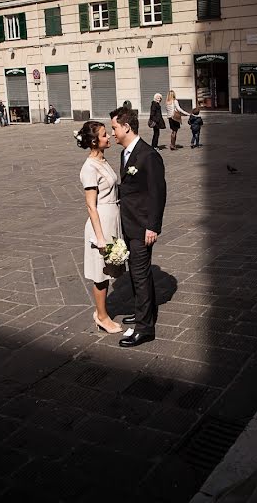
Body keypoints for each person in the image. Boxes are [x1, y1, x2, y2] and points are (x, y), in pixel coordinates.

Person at [109, 106, 166, 347]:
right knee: (137, 275)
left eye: (114, 128)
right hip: (130, 223)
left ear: (126, 127)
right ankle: (145, 312)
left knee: (140, 276)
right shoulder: (126, 153)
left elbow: (158, 193)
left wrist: (152, 226)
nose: (112, 133)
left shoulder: (148, 155)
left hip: (142, 226)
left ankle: (144, 328)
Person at [77, 121, 123, 335]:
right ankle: (102, 316)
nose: (109, 137)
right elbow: (90, 205)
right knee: (100, 274)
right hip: (101, 223)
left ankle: (102, 312)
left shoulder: (103, 160)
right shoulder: (89, 168)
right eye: (105, 135)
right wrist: (100, 237)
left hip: (112, 218)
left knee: (110, 270)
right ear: (95, 141)